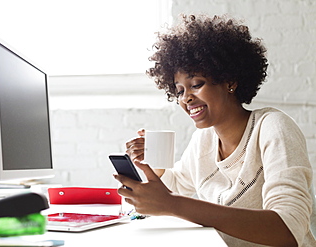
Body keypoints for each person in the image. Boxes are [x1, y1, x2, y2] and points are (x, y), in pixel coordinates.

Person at [113, 14, 316, 247]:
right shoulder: (204, 139)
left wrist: (172, 204)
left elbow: (287, 231)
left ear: (230, 81)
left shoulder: (272, 128)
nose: (186, 98)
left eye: (196, 85)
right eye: (179, 91)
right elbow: (178, 186)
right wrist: (154, 165)